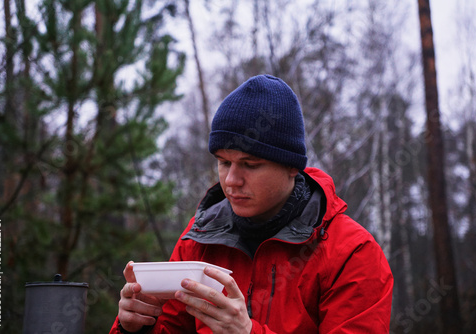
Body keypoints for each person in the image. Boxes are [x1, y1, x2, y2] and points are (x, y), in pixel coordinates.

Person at [109, 74, 393, 333]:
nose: (231, 180)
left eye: (250, 164)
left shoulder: (351, 253)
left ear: (292, 167)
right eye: (223, 162)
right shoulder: (199, 238)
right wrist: (134, 327)